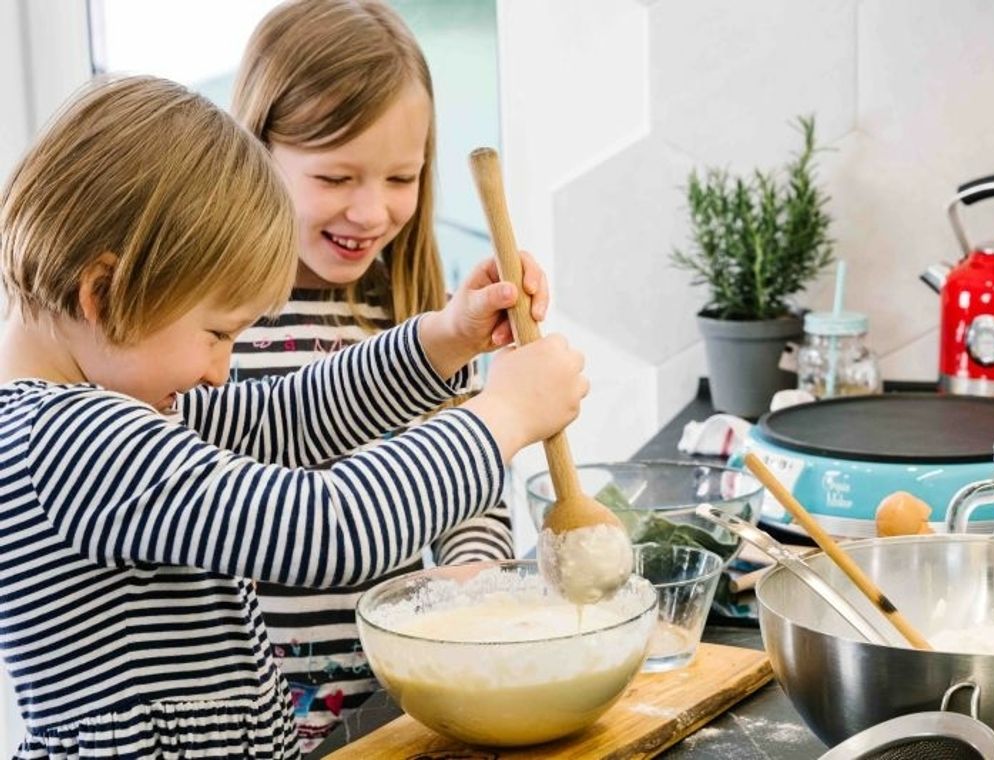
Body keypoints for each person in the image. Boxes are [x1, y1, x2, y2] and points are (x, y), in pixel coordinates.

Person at [0, 74, 584, 759]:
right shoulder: (72, 442)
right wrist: (506, 415)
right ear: (103, 292)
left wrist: (443, 339)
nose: (221, 370)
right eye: (218, 334)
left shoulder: (93, 416)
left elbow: (289, 417)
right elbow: (331, 527)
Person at [229, 1, 525, 748]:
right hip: (254, 719)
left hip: (389, 702)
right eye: (334, 176)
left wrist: (476, 573)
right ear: (253, 148)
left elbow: (468, 483)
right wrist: (512, 412)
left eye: (401, 177)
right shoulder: (204, 323)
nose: (371, 211)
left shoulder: (409, 306)